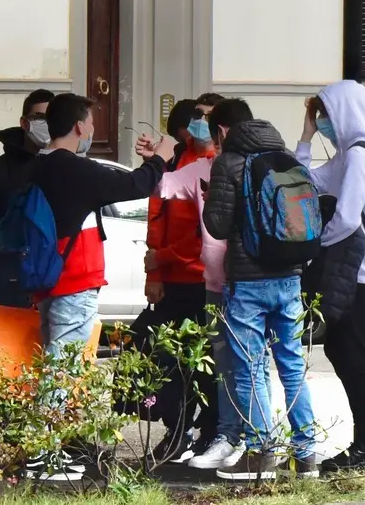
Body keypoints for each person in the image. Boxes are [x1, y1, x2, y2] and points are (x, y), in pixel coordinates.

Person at [28, 93, 172, 477]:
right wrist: (162, 156)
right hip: (73, 277)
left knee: (58, 361)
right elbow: (135, 185)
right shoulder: (73, 168)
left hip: (49, 279)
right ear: (79, 126)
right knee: (64, 365)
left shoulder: (38, 164)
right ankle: (46, 453)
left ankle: (59, 446)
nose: (92, 130)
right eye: (90, 123)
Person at [203, 98, 319, 481]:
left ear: (222, 131)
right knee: (291, 365)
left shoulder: (228, 162)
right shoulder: (286, 157)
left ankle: (260, 452)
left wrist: (213, 200)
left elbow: (218, 227)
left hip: (249, 283)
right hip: (290, 277)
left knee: (250, 369)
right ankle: (306, 454)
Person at [295, 81, 365, 471]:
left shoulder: (359, 158)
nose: (323, 121)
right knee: (342, 351)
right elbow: (303, 183)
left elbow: (348, 219)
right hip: (349, 274)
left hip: (359, 274)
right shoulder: (346, 156)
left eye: (326, 114)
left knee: (359, 357)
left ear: (344, 113)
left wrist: (316, 245)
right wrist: (305, 135)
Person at [155, 124, 244, 472]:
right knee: (221, 365)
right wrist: (157, 160)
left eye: (210, 120)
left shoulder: (248, 167)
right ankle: (225, 436)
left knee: (249, 368)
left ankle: (253, 440)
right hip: (211, 284)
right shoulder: (197, 169)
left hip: (246, 281)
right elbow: (161, 191)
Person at [144, 96, 219, 463]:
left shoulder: (218, 164)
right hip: (174, 280)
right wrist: (155, 270)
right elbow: (156, 216)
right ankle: (177, 431)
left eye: (207, 118)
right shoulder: (178, 160)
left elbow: (205, 234)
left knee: (209, 367)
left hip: (207, 280)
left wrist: (163, 259)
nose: (199, 124)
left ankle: (211, 433)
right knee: (172, 365)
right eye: (197, 117)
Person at [0, 89, 55, 307]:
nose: (45, 124)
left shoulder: (63, 167)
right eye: (39, 117)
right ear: (24, 122)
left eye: (50, 118)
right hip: (7, 284)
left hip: (52, 284)